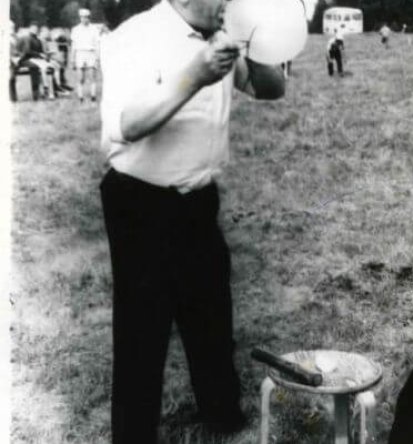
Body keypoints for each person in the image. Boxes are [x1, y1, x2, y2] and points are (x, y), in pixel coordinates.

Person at [99, 0, 285, 442]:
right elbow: (126, 123)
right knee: (142, 329)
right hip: (140, 204)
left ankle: (222, 418)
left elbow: (271, 89)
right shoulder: (135, 36)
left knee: (212, 316)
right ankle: (133, 434)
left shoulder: (222, 36)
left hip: (199, 202)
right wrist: (194, 76)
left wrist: (257, 45)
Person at [18, 22, 56, 100]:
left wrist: (45, 55)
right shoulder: (28, 38)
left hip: (37, 59)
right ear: (30, 29)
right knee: (43, 68)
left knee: (50, 67)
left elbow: (40, 51)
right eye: (33, 29)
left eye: (36, 29)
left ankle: (50, 91)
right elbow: (28, 51)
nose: (35, 30)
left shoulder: (37, 39)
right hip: (29, 59)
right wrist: (39, 55)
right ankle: (45, 89)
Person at [70, 8, 100, 102]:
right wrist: (72, 59)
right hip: (80, 53)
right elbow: (73, 45)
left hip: (91, 52)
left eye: (86, 17)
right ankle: (81, 97)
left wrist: (97, 58)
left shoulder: (94, 29)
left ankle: (93, 96)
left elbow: (97, 44)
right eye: (82, 17)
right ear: (80, 18)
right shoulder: (75, 29)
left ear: (89, 18)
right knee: (80, 77)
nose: (84, 19)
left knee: (92, 76)